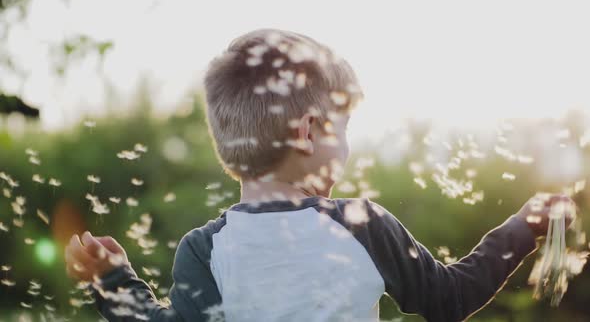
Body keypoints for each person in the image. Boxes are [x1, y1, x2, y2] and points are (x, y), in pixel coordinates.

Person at [64, 29, 575, 322]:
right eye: (345, 129)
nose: (348, 148)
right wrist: (523, 227)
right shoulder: (360, 225)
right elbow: (450, 297)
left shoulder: (205, 250)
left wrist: (113, 279)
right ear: (310, 132)